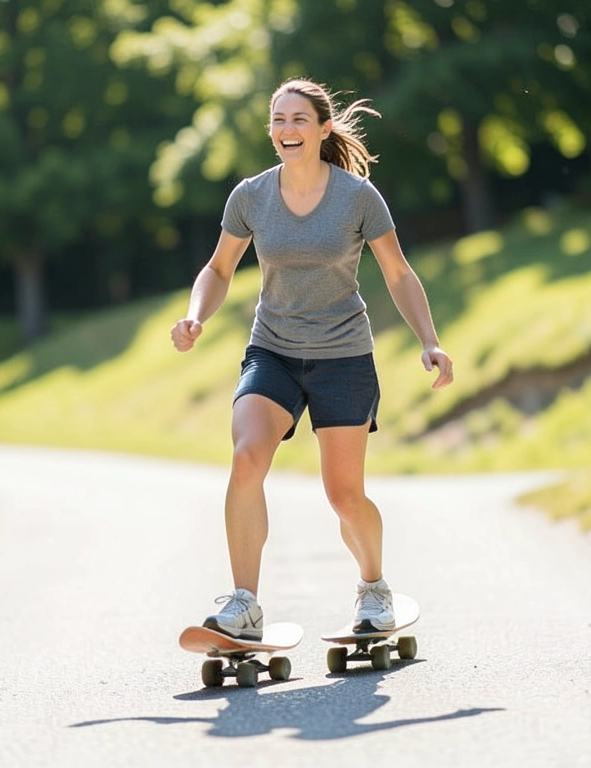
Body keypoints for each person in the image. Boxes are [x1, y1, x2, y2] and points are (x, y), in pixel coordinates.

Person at [170, 78, 454, 641]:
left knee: (344, 495)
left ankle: (374, 588)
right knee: (247, 457)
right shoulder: (251, 196)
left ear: (324, 129)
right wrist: (196, 314)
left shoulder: (356, 197)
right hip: (272, 349)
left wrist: (429, 340)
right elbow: (219, 268)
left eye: (299, 119)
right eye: (278, 120)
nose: (286, 130)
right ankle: (245, 603)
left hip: (343, 355)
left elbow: (398, 273)